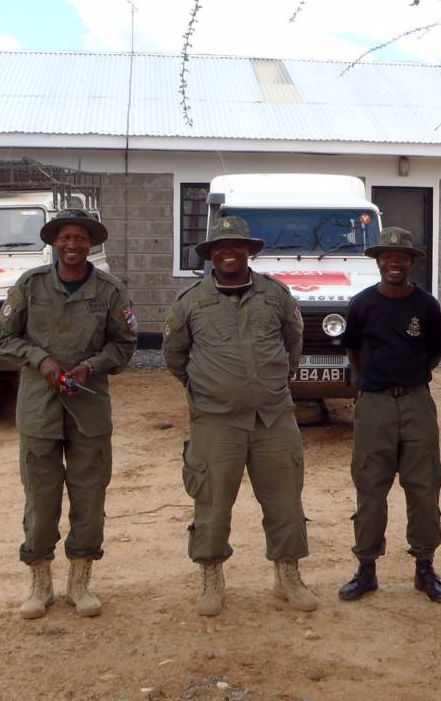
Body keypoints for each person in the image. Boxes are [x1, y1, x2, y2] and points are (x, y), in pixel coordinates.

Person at [162, 216, 317, 616]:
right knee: (212, 506)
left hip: (273, 418)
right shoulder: (190, 302)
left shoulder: (276, 295)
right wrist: (210, 388)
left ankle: (288, 576)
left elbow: (292, 343)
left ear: (249, 250)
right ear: (211, 253)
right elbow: (175, 357)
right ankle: (211, 578)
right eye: (219, 246)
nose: (228, 251)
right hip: (215, 422)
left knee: (285, 502)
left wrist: (271, 382)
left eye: (236, 245)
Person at [0, 209, 137, 619]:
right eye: (65, 238)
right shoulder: (30, 285)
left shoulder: (109, 290)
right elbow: (4, 338)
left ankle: (80, 582)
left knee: (89, 495)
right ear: (54, 242)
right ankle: (40, 583)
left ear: (91, 244)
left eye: (80, 238)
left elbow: (124, 345)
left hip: (88, 408)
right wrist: (40, 359)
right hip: (39, 409)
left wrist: (90, 366)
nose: (72, 245)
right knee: (39, 498)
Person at [337, 227, 441, 604]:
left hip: (417, 403)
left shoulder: (426, 305)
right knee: (371, 489)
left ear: (411, 262)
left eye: (401, 256)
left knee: (423, 488)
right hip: (374, 405)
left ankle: (425, 568)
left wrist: (411, 377)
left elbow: (434, 353)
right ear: (378, 260)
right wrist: (372, 380)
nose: (394, 262)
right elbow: (353, 351)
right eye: (387, 256)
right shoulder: (362, 303)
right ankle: (366, 569)